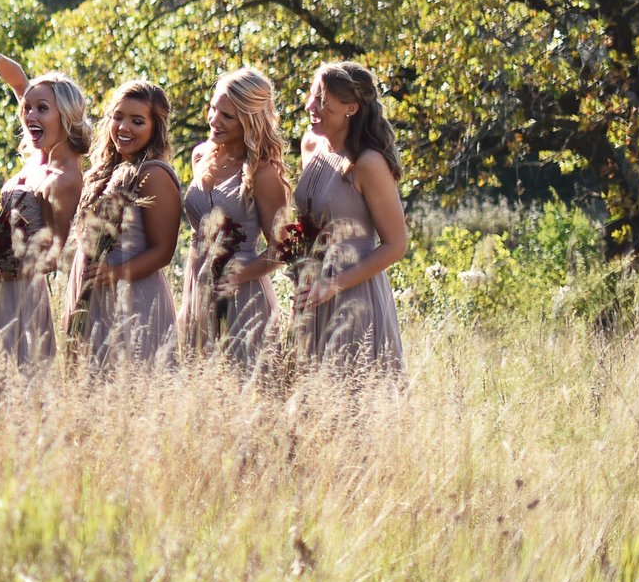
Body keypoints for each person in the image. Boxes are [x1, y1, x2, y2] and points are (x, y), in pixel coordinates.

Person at [0, 54, 89, 370]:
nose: (30, 114)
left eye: (42, 109)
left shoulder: (64, 177)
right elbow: (20, 81)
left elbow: (53, 256)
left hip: (20, 297)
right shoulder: (38, 154)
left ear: (66, 115)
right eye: (27, 108)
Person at [293, 61, 407, 378]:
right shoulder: (310, 144)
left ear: (351, 108)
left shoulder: (368, 162)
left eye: (321, 101)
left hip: (355, 293)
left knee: (354, 403)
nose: (310, 106)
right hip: (311, 289)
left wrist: (333, 285)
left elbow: (396, 244)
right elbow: (310, 223)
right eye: (312, 96)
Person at [67, 80, 182, 369]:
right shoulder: (103, 171)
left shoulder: (153, 174)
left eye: (137, 121)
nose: (124, 127)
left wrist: (115, 273)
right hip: (93, 295)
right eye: (118, 117)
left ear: (155, 128)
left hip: (133, 298)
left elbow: (164, 251)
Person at [182, 67, 288, 371]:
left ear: (249, 121)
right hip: (196, 284)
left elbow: (282, 249)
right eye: (213, 108)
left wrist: (236, 276)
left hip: (245, 297)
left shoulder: (263, 173)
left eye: (227, 116)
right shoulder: (201, 156)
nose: (214, 120)